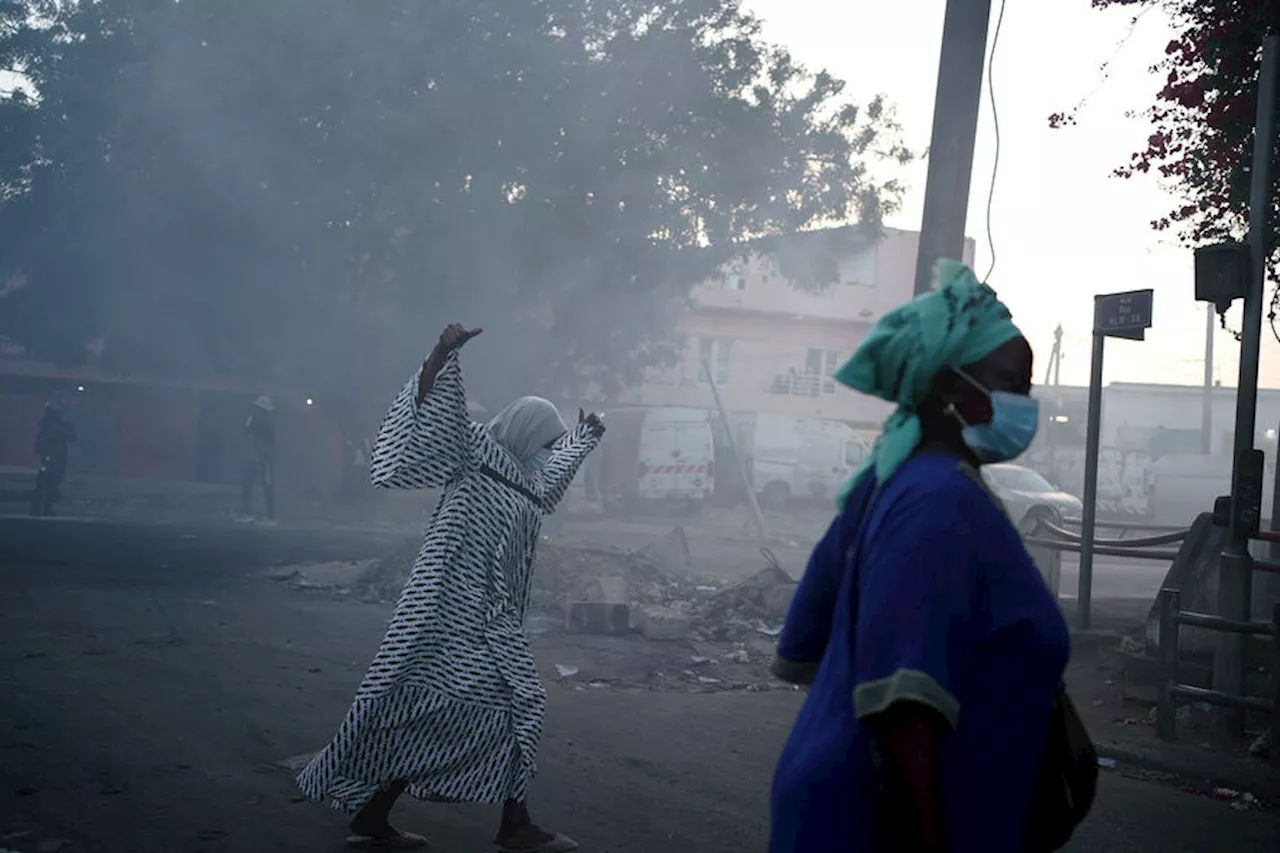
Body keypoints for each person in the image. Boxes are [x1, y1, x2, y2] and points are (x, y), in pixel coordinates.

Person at [768, 261, 1071, 853]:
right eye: (1013, 384)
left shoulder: (896, 481)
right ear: (950, 388)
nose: (1026, 404)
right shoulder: (937, 503)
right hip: (870, 825)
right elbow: (904, 711)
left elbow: (808, 638)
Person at [298, 323, 605, 852]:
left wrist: (586, 437)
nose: (547, 454)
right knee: (485, 702)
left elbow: (554, 473)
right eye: (546, 442)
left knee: (450, 707)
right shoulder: (474, 453)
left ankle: (378, 813)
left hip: (492, 616)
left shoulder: (528, 480)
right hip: (443, 608)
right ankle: (513, 824)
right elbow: (429, 418)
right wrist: (441, 354)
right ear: (526, 431)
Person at [31, 400, 77, 517]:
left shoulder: (62, 425)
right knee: (44, 483)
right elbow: (40, 440)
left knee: (54, 484)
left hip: (59, 458)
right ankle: (37, 508)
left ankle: (47, 508)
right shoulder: (46, 425)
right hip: (50, 457)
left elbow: (73, 437)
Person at [241, 395, 276, 521]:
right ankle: (269, 516)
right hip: (264, 458)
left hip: (260, 457)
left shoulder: (259, 421)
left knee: (251, 485)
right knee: (265, 486)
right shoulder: (267, 422)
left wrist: (260, 457)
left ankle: (253, 514)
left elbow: (247, 431)